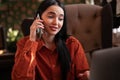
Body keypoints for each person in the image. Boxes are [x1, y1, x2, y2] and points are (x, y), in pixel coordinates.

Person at [11, 0, 90, 80]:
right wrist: (32, 40)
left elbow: (82, 75)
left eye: (60, 19)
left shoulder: (72, 44)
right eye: (51, 16)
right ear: (38, 18)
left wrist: (87, 76)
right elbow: (20, 77)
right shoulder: (24, 44)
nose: (56, 23)